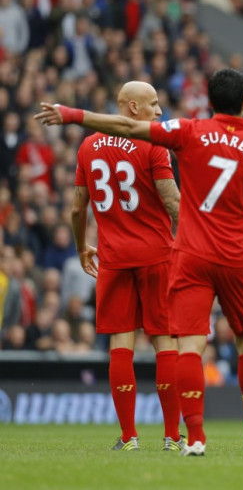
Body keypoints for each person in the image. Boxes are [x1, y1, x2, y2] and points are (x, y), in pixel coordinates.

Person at [36, 68, 243, 457]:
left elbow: (122, 130)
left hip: (180, 257)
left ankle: (191, 438)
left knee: (184, 345)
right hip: (226, 257)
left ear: (209, 100)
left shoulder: (187, 131)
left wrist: (71, 114)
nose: (155, 110)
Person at [70, 81, 184, 452]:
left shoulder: (88, 146)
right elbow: (172, 201)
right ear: (132, 108)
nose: (159, 112)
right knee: (164, 340)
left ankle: (129, 437)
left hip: (113, 259)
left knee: (121, 344)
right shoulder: (152, 144)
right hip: (156, 255)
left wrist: (81, 247)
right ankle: (171, 436)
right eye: (153, 105)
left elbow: (76, 208)